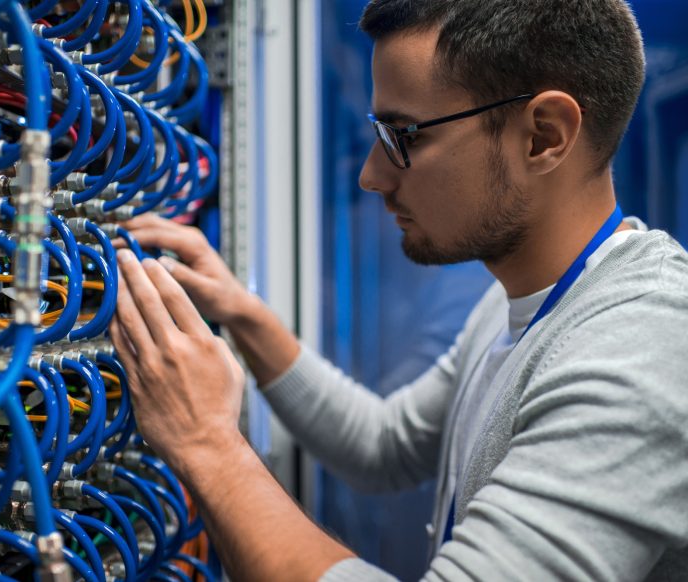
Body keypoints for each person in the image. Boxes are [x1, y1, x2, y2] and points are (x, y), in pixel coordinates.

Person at [109, 0, 688, 580]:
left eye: (402, 135)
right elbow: (383, 446)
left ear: (543, 136)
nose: (371, 175)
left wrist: (210, 445)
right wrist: (240, 312)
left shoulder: (642, 350)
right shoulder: (525, 298)